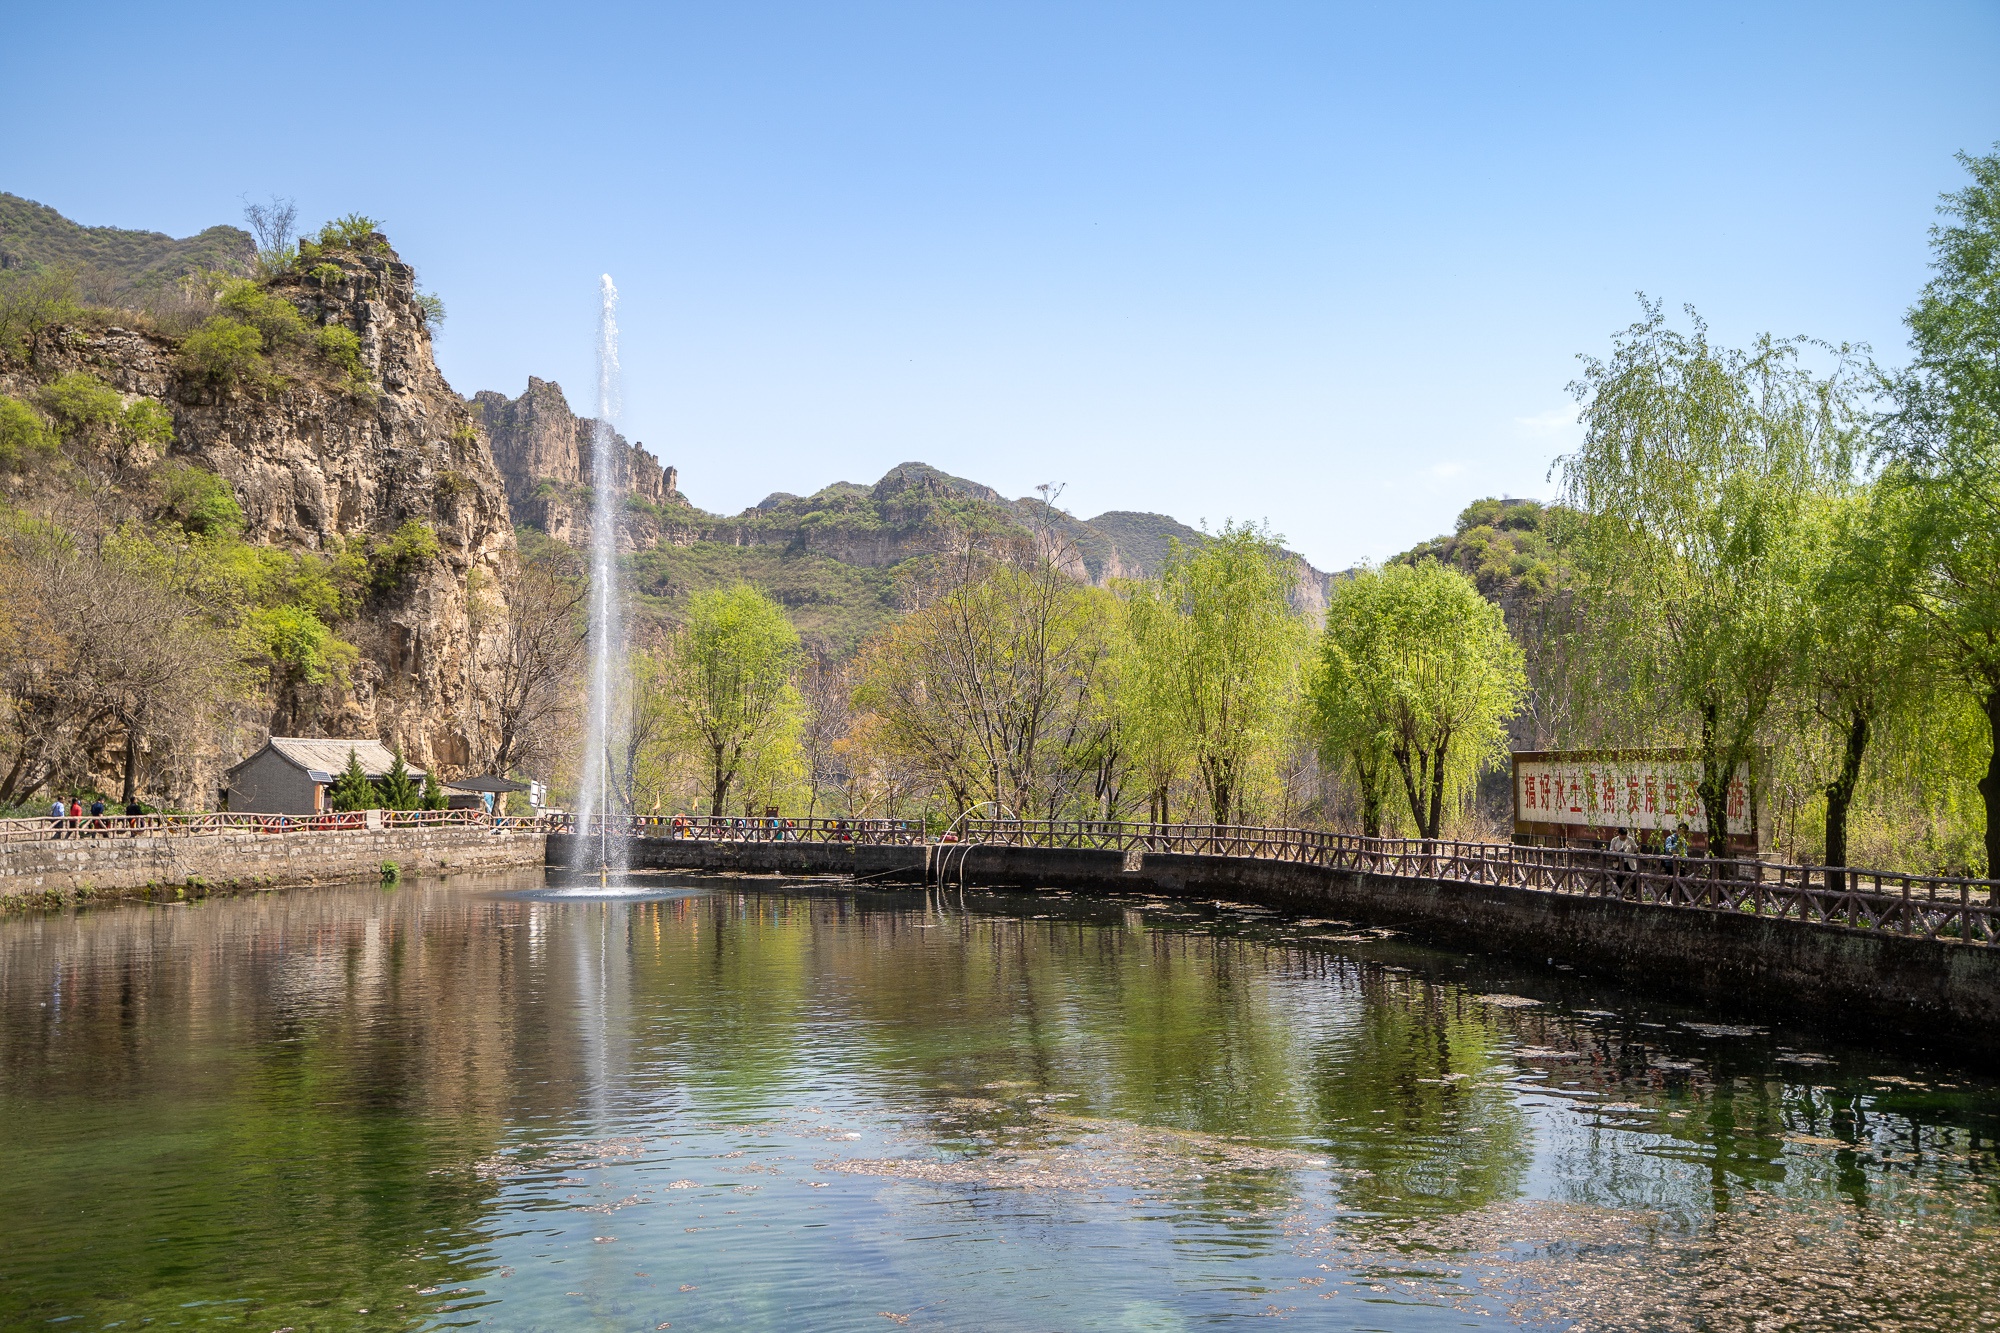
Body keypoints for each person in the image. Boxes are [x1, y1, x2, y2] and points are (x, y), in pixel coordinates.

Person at [1609, 826, 1640, 897]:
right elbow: (1611, 850)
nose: (1624, 837)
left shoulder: (1630, 839)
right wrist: (1617, 852)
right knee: (1619, 878)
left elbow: (1635, 848)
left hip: (1629, 862)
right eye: (1622, 835)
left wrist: (1637, 848)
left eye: (1625, 835)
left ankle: (1635, 893)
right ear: (1619, 834)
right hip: (1619, 862)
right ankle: (1618, 893)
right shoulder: (1614, 840)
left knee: (1633, 878)